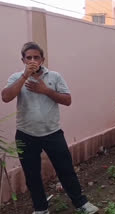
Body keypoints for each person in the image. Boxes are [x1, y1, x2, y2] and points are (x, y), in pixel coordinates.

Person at [1, 42, 99, 214]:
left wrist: (45, 90)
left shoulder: (54, 77)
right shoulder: (16, 77)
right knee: (32, 175)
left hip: (52, 133)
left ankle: (81, 203)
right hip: (25, 134)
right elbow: (6, 97)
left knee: (66, 169)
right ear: (23, 60)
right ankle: (41, 208)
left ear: (42, 59)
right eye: (28, 57)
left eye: (36, 57)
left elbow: (67, 100)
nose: (32, 60)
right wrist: (24, 77)